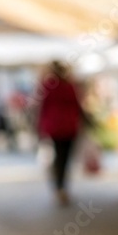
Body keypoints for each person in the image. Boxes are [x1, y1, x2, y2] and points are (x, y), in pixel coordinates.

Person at [37, 61, 84, 206]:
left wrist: (39, 128)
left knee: (59, 157)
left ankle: (59, 187)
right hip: (69, 126)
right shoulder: (69, 86)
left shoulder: (48, 86)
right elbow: (78, 106)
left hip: (55, 127)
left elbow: (42, 107)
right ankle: (62, 187)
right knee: (65, 158)